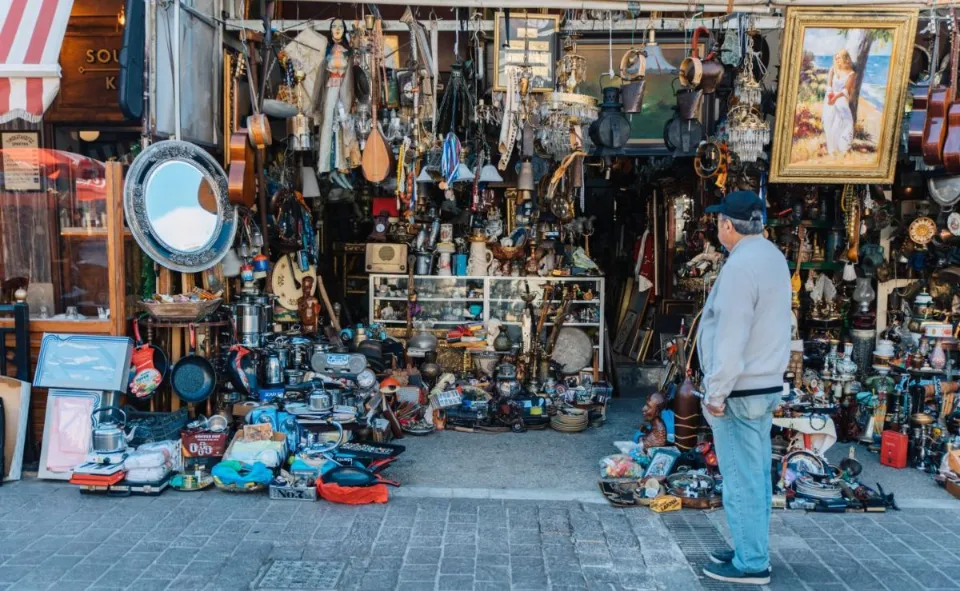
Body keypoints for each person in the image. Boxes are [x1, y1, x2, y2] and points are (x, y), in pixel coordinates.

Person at [698, 191, 791, 585]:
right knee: (753, 476)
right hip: (763, 384)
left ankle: (751, 562)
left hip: (740, 390)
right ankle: (748, 547)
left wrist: (716, 392)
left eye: (719, 221)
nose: (718, 226)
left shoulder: (740, 266)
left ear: (728, 225)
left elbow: (732, 336)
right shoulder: (772, 256)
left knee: (741, 479)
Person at [822, 49, 856, 155]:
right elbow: (829, 85)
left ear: (845, 58)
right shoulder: (833, 69)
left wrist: (835, 98)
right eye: (836, 58)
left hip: (841, 98)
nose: (837, 60)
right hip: (830, 97)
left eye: (839, 58)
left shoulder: (851, 73)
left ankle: (844, 147)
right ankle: (832, 149)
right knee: (830, 123)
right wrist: (830, 96)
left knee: (846, 122)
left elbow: (846, 90)